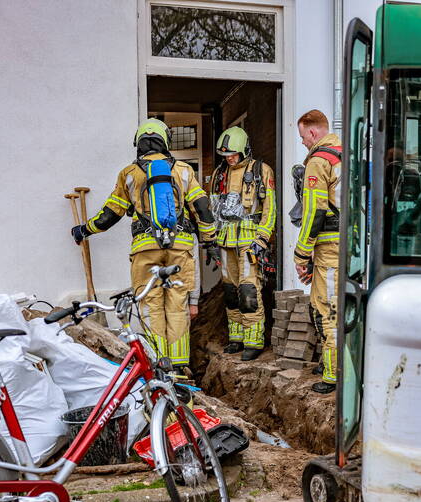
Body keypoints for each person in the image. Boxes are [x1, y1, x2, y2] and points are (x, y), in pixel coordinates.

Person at [70, 118, 215, 373]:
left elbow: (110, 214)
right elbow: (202, 207)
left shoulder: (129, 174)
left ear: (139, 143)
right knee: (178, 306)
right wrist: (209, 239)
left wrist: (85, 229)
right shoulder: (183, 170)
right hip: (179, 246)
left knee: (150, 306)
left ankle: (161, 366)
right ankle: (181, 369)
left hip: (145, 248)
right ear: (165, 141)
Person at [208, 126, 276, 361]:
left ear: (245, 149)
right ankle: (235, 338)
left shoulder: (260, 170)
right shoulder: (220, 173)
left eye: (233, 154)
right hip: (225, 239)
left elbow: (270, 209)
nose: (230, 158)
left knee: (248, 290)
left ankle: (254, 341)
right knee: (230, 292)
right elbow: (214, 208)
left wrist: (262, 239)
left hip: (250, 242)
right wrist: (211, 240)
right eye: (226, 155)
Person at [293, 109, 342, 394]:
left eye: (302, 136)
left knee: (328, 309)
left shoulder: (319, 161)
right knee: (333, 305)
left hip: (330, 246)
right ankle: (333, 364)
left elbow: (314, 212)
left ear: (313, 132)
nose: (302, 143)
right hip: (350, 243)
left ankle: (332, 376)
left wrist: (301, 255)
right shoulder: (346, 156)